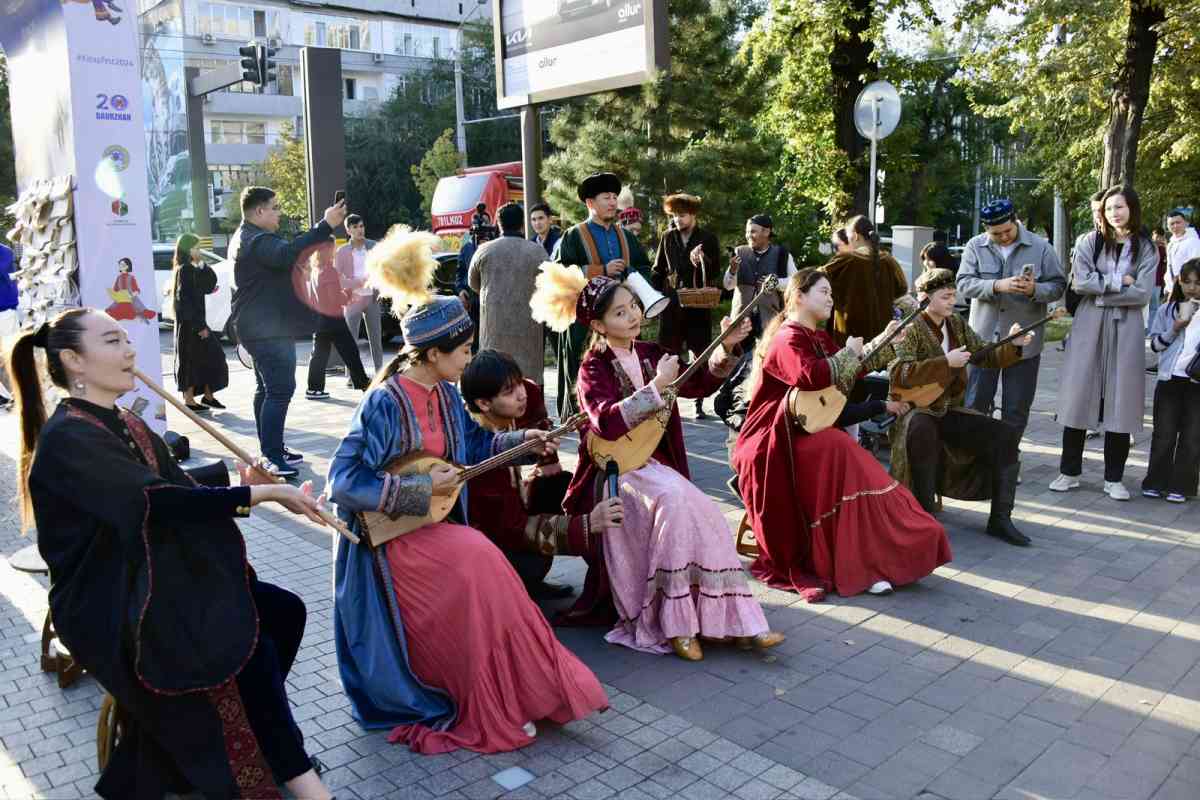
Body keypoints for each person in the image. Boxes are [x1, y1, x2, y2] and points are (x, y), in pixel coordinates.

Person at [9, 308, 334, 800]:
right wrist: (261, 498)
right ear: (74, 360)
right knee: (238, 639)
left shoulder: (121, 420)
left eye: (126, 339)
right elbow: (152, 501)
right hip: (108, 598)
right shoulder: (69, 438)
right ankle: (294, 772)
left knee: (281, 611)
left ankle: (220, 741)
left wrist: (242, 484)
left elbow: (175, 487)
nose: (130, 350)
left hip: (152, 571)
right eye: (113, 340)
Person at [328, 229, 607, 754]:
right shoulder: (385, 402)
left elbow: (475, 443)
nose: (468, 359)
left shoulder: (445, 393)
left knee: (488, 566)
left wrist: (523, 441)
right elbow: (342, 482)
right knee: (478, 563)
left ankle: (522, 692)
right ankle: (483, 695)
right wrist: (414, 490)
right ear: (432, 354)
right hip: (389, 543)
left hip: (431, 528)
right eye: (462, 351)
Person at [530, 261, 784, 661]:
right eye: (619, 312)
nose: (632, 315)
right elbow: (607, 423)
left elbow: (697, 381)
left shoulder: (651, 352)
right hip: (615, 472)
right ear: (598, 326)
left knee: (707, 512)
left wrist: (727, 346)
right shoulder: (592, 369)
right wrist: (656, 387)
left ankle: (737, 620)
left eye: (632, 306)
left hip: (655, 465)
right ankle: (676, 623)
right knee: (671, 503)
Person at [732, 269, 950, 600]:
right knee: (842, 451)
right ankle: (863, 562)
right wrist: (850, 353)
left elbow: (847, 377)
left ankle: (876, 558)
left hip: (805, 432)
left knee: (844, 453)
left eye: (832, 293)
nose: (831, 298)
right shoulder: (786, 338)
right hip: (772, 443)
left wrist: (883, 341)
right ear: (799, 296)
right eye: (824, 292)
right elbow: (812, 376)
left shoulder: (816, 338)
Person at [888, 268, 1036, 546]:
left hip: (948, 408)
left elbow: (982, 354)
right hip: (915, 410)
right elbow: (900, 373)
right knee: (921, 430)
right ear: (924, 297)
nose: (952, 302)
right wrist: (945, 363)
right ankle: (924, 516)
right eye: (945, 296)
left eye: (954, 295)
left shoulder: (955, 322)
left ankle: (1001, 519)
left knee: (1004, 435)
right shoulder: (910, 326)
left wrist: (1012, 345)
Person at [460, 349, 620, 599]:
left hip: (512, 510)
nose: (521, 394)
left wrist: (547, 460)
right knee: (532, 559)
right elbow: (513, 529)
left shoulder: (507, 407)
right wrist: (586, 526)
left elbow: (532, 393)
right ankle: (517, 586)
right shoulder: (480, 453)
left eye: (519, 383)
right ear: (483, 403)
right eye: (509, 391)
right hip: (492, 545)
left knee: (558, 483)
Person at [229, 186, 346, 478]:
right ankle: (271, 456)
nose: (279, 213)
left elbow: (284, 259)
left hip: (259, 326)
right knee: (280, 391)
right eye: (275, 208)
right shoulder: (256, 239)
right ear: (259, 211)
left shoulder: (247, 237)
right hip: (267, 329)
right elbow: (286, 253)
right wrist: (325, 225)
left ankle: (272, 449)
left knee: (267, 390)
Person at [1052, 184, 1158, 500]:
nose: (1114, 213)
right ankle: (1068, 472)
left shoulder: (1146, 247)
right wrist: (1116, 282)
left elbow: (1141, 291)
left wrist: (1102, 294)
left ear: (1132, 209)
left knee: (1120, 401)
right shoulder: (1089, 241)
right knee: (1078, 395)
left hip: (1126, 328)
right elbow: (1080, 281)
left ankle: (1114, 478)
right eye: (1109, 208)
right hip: (1088, 325)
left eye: (1120, 207)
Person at [957, 199, 1066, 443]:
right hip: (983, 342)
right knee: (974, 404)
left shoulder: (1041, 247)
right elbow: (963, 283)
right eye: (996, 234)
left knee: (1016, 409)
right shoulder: (975, 246)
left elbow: (1058, 286)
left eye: (1008, 231)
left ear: (1016, 220)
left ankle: (1007, 460)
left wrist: (1033, 289)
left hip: (1024, 343)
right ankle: (973, 460)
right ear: (986, 229)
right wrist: (996, 285)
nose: (1004, 237)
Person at [553, 172, 652, 417]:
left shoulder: (626, 236)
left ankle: (624, 413)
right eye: (606, 197)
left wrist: (630, 273)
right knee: (584, 365)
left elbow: (644, 269)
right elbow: (559, 273)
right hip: (584, 321)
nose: (611, 202)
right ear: (590, 203)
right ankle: (583, 414)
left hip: (620, 318)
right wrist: (600, 271)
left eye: (614, 197)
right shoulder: (574, 235)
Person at [652, 192, 721, 418]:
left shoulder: (708, 238)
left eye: (682, 215)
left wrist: (702, 259)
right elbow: (658, 269)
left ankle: (699, 400)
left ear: (693, 215)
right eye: (674, 215)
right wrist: (653, 297)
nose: (677, 220)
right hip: (671, 303)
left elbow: (714, 271)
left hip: (697, 305)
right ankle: (665, 397)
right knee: (667, 352)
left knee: (699, 352)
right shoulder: (667, 237)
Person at [469, 202, 550, 384]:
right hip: (528, 331)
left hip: (493, 331)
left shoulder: (484, 250)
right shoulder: (537, 252)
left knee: (494, 382)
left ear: (498, 223)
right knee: (529, 384)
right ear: (522, 224)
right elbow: (550, 285)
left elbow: (473, 284)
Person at [1144, 259, 1200, 502]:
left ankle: (1183, 486)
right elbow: (1155, 345)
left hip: (1196, 383)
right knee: (1164, 434)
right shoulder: (1167, 310)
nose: (1192, 287)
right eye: (1187, 281)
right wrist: (1176, 327)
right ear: (1179, 281)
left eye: (1198, 283)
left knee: (1192, 436)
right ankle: (1156, 481)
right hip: (1169, 380)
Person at [820, 215, 913, 348]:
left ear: (856, 236)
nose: (848, 239)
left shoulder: (846, 260)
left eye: (848, 235)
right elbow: (902, 290)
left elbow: (814, 279)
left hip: (849, 339)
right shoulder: (889, 261)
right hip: (882, 338)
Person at [171, 233, 228, 412]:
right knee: (192, 361)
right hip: (190, 325)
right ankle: (189, 400)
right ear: (187, 249)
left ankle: (208, 396)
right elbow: (185, 301)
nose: (199, 251)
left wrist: (203, 266)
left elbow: (209, 285)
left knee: (208, 358)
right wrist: (200, 326)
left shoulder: (192, 268)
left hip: (194, 322)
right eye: (196, 247)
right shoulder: (185, 269)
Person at [306, 238, 370, 398]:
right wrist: (349, 294)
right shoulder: (329, 270)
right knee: (350, 351)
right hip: (333, 320)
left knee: (319, 355)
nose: (335, 250)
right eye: (333, 247)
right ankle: (363, 384)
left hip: (320, 318)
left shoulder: (316, 269)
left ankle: (314, 389)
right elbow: (334, 299)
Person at [723, 214, 796, 339]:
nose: (748, 236)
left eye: (752, 232)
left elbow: (795, 283)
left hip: (770, 321)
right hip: (740, 322)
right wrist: (733, 270)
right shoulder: (739, 252)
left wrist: (775, 282)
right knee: (738, 358)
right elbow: (728, 286)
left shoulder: (782, 255)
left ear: (766, 232)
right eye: (747, 232)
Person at [335, 213, 383, 373]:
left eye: (361, 226)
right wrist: (355, 283)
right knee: (351, 340)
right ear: (348, 230)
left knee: (376, 339)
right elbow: (338, 278)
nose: (359, 230)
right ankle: (352, 375)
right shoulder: (342, 251)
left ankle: (379, 372)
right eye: (355, 227)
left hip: (372, 298)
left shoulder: (374, 246)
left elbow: (383, 271)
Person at [1165, 209, 1200, 298]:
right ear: (1168, 226)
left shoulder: (1193, 242)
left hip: (1187, 291)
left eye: (1178, 222)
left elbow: (1196, 267)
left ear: (1185, 223)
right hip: (1171, 289)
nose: (1175, 226)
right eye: (1172, 224)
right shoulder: (1171, 243)